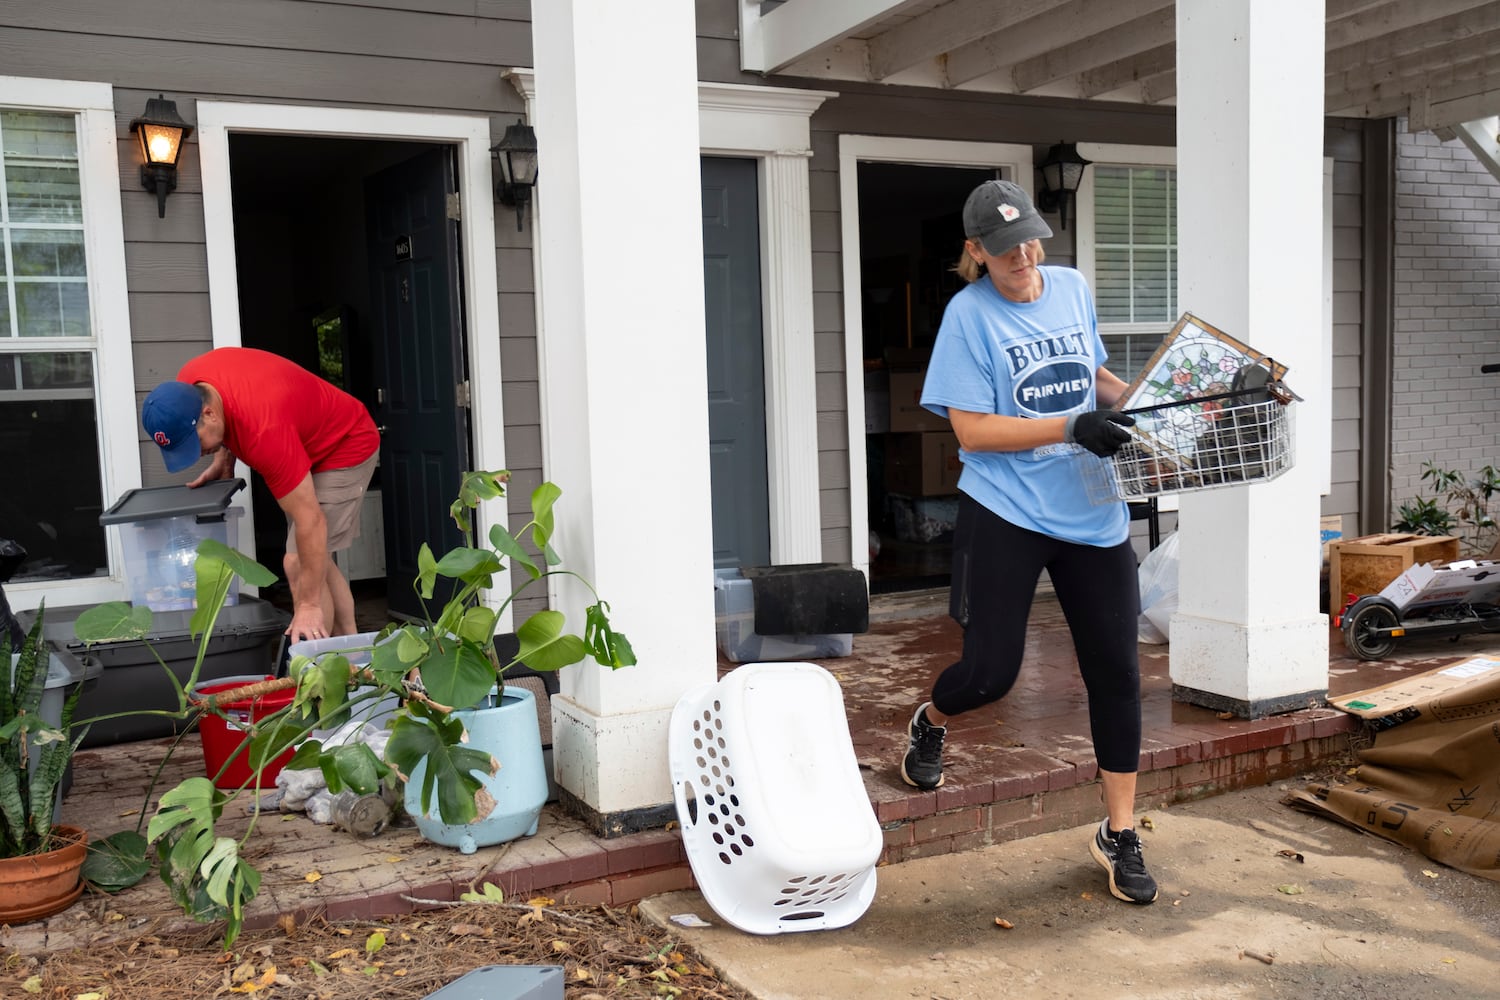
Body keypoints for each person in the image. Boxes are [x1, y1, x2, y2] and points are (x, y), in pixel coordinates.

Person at [899, 178, 1157, 905]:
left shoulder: (1070, 287)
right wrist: (1068, 425)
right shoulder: (967, 316)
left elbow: (1092, 376)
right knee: (990, 674)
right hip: (1006, 509)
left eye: (1032, 240)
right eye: (1006, 249)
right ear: (977, 252)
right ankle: (932, 720)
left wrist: (1154, 399)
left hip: (1091, 510)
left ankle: (1120, 830)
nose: (1025, 257)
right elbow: (972, 430)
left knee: (1116, 671)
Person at [140, 347, 380, 644]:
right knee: (315, 558)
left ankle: (321, 665)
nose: (196, 452)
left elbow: (311, 521)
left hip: (344, 443)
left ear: (208, 413)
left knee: (299, 563)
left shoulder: (264, 433)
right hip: (299, 441)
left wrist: (307, 606)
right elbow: (233, 405)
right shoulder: (189, 387)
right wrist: (223, 457)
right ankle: (349, 645)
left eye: (195, 443)